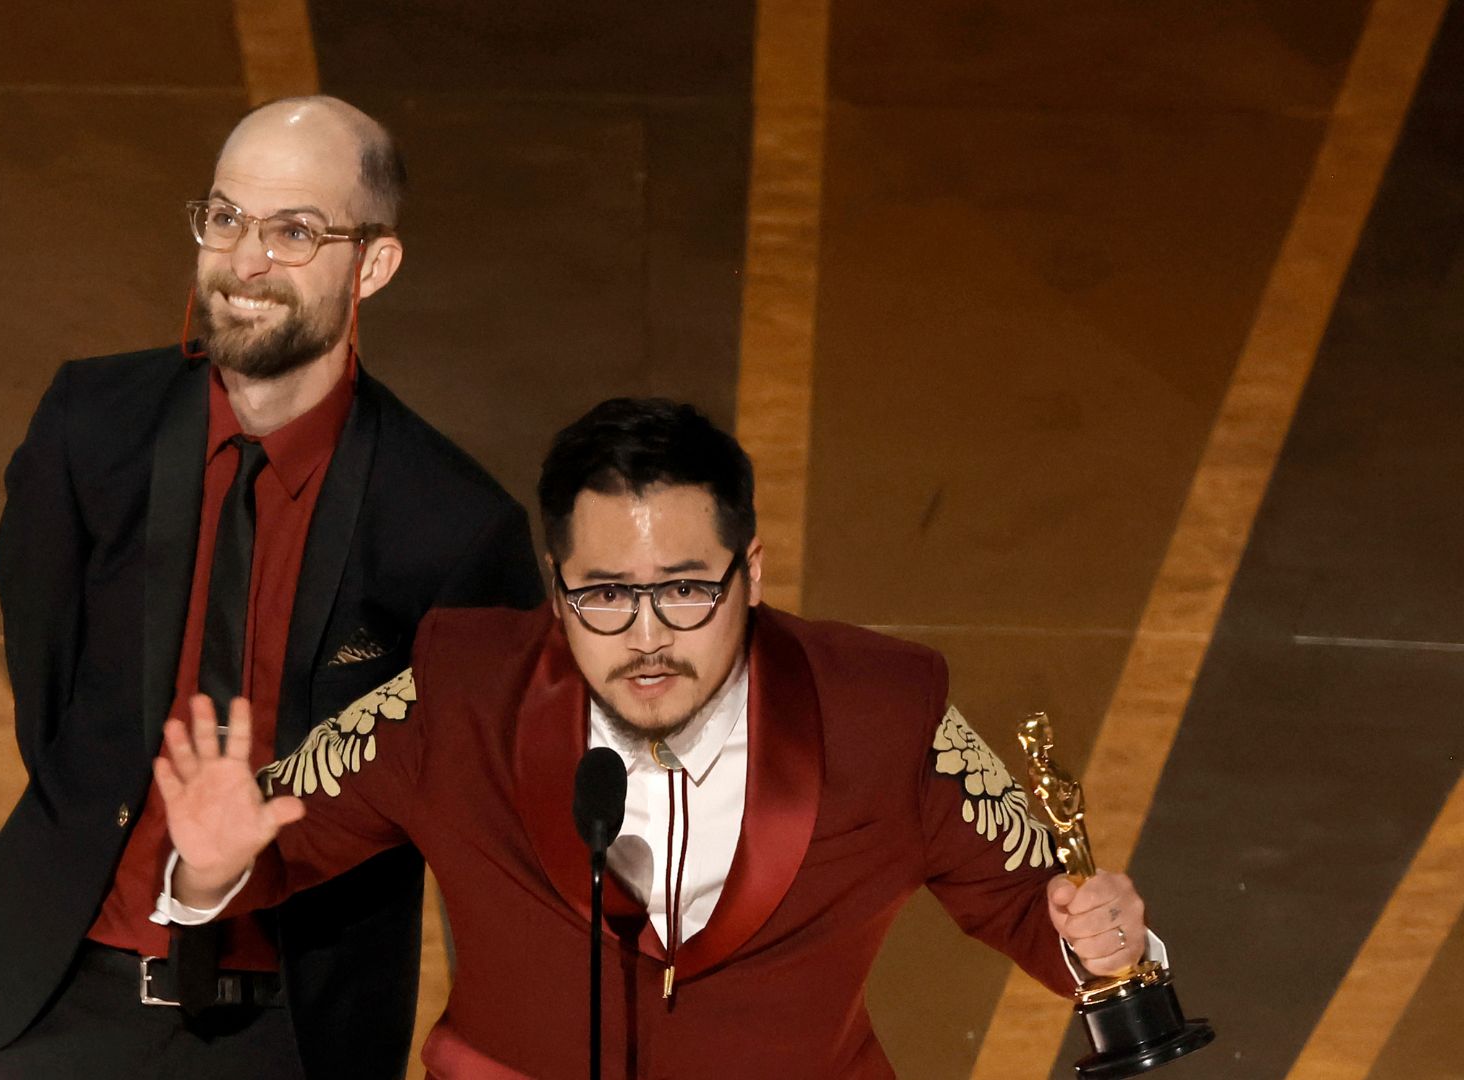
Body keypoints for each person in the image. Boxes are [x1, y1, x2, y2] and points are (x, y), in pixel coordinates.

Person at [153, 398, 1165, 1078]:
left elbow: (1039, 911)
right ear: (556, 589)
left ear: (751, 572)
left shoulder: (886, 715)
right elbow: (262, 850)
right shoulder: (459, 697)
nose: (646, 637)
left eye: (685, 590)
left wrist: (1112, 944)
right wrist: (203, 869)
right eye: (604, 595)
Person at [0, 96, 545, 1079]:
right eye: (225, 218)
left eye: (294, 231)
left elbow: (478, 806)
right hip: (66, 997)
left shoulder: (453, 528)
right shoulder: (90, 428)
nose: (245, 261)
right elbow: (49, 691)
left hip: (295, 1031)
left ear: (373, 265)